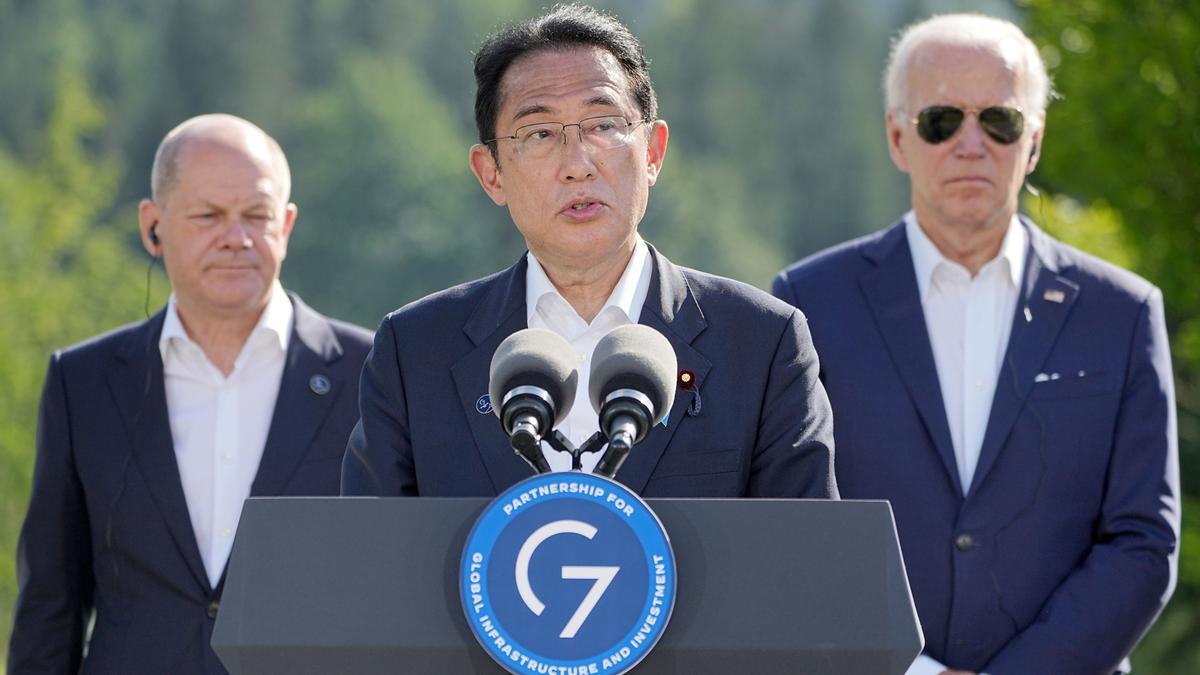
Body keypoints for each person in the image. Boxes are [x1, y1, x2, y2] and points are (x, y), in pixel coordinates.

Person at [773, 14, 1179, 675]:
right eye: (942, 120)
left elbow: (1141, 541)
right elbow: (796, 523)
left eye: (1000, 121)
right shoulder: (809, 303)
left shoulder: (1123, 313)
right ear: (898, 137)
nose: (971, 143)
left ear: (1035, 141)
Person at [343, 5, 836, 500]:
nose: (577, 165)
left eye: (602, 125)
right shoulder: (415, 353)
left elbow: (806, 561)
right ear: (491, 173)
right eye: (539, 133)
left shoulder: (762, 344)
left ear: (653, 153)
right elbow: (366, 560)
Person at [8, 114, 374, 674]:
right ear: (152, 226)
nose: (237, 237)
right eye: (209, 216)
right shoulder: (83, 381)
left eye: (257, 215)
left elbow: (398, 593)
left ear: (288, 224)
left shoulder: (371, 374)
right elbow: (49, 608)